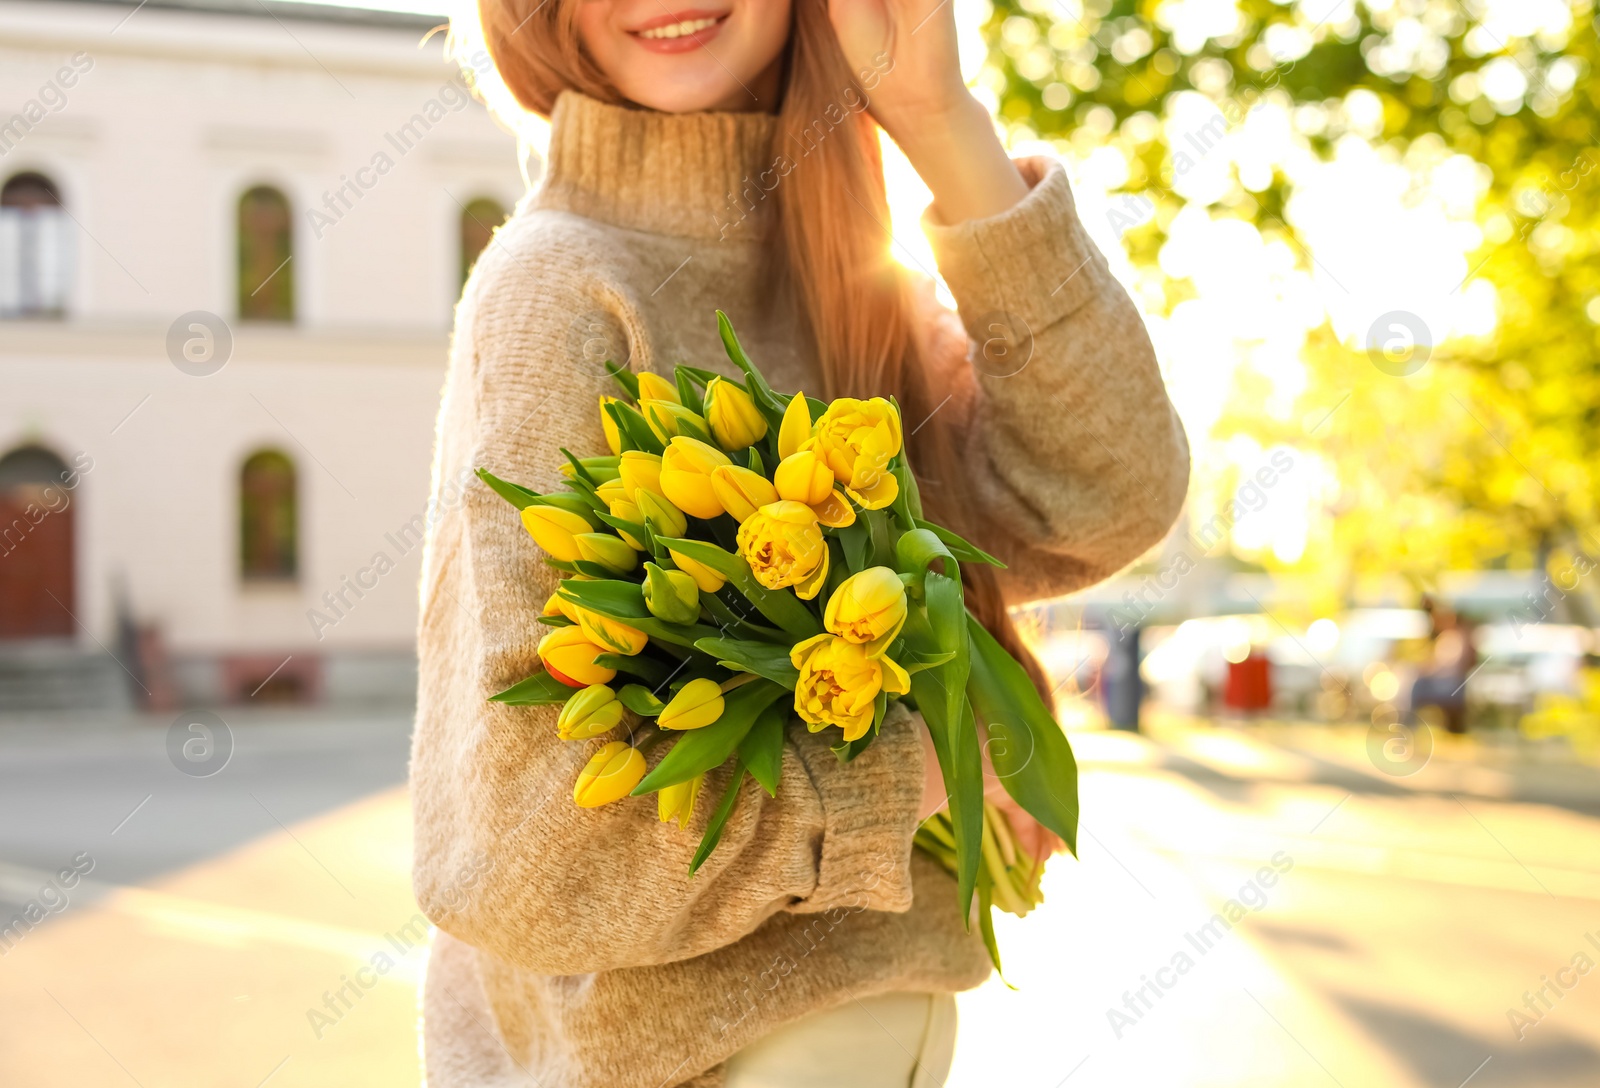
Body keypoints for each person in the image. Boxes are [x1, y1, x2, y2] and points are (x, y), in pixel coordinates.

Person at [409, 0, 1190, 1082]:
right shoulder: (560, 282)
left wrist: (939, 124)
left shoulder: (857, 280)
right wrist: (918, 771)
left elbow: (1109, 491)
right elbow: (525, 855)